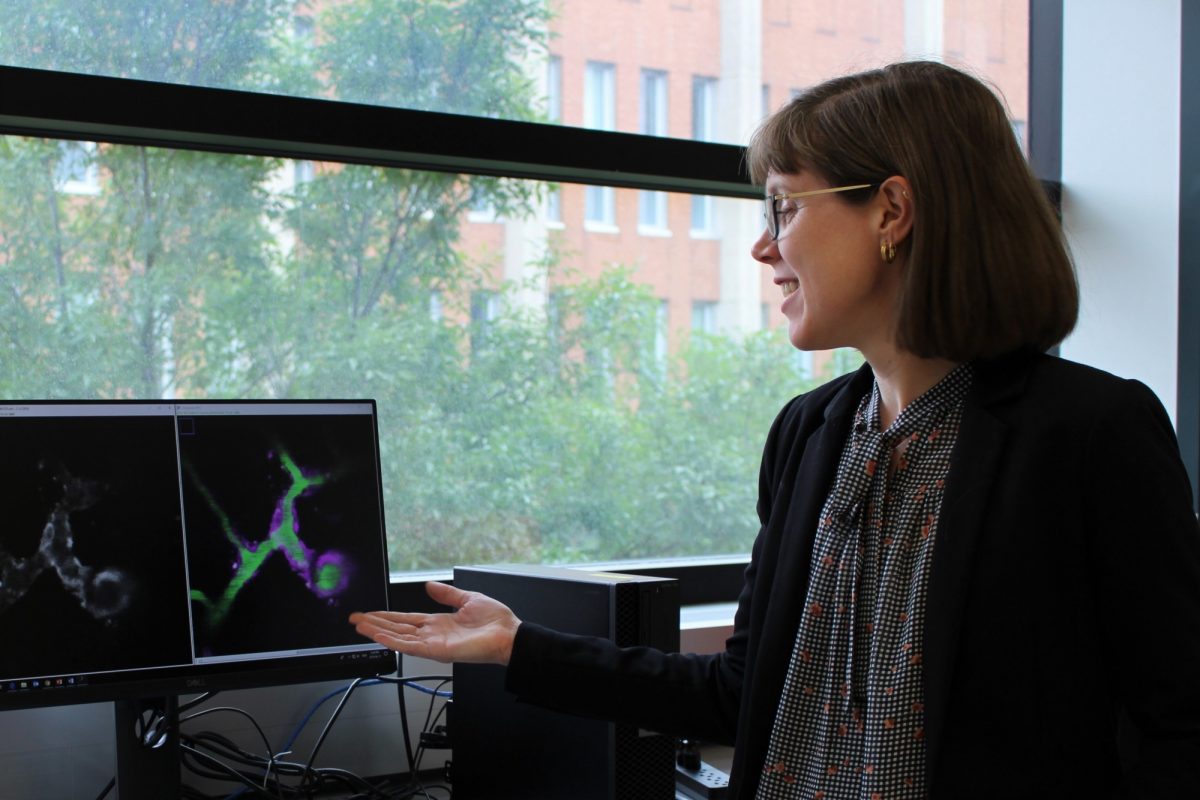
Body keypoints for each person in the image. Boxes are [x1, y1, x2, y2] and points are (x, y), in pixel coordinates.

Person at [350, 60, 1200, 798]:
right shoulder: (811, 432)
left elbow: (1183, 731)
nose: (764, 247)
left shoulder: (1092, 434)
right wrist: (516, 647)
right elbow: (737, 692)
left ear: (891, 212)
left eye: (785, 208)